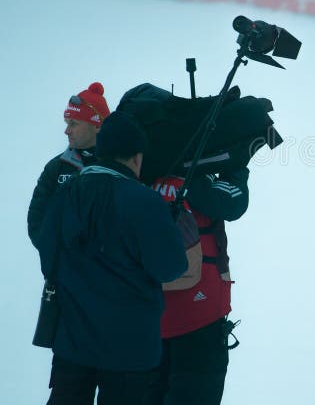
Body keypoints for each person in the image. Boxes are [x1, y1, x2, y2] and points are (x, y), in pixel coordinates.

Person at [33, 111, 189, 405]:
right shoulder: (146, 202)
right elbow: (170, 268)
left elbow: (48, 253)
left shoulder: (66, 194)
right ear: (135, 158)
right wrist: (168, 228)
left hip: (71, 343)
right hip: (130, 351)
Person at [144, 167, 249, 405]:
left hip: (143, 314)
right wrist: (237, 167)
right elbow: (234, 202)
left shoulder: (135, 167)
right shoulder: (204, 171)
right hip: (200, 315)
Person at [28, 82, 110, 244]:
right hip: (67, 266)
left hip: (110, 266)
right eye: (67, 123)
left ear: (97, 125)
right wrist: (59, 257)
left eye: (74, 124)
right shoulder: (56, 168)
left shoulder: (119, 164)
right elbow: (36, 222)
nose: (67, 131)